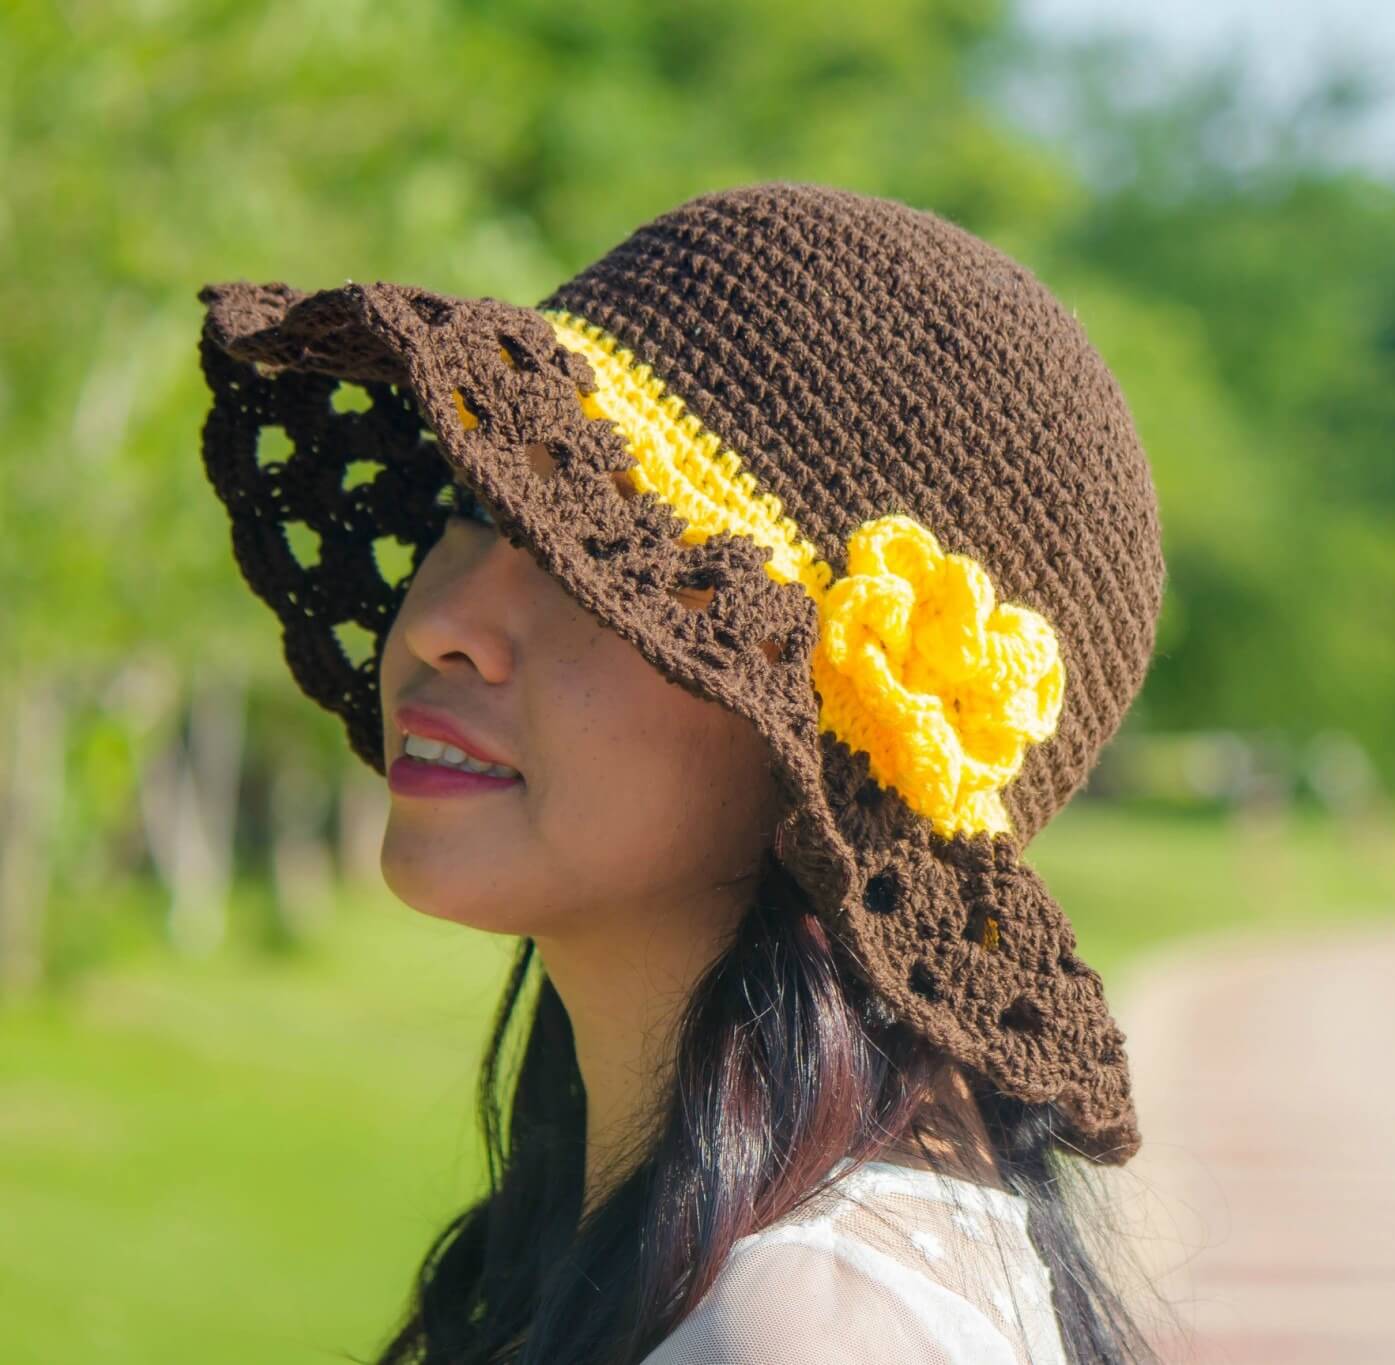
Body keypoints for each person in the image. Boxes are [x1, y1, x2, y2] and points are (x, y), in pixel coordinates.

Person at [193, 182, 1175, 1364]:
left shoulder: (796, 1328)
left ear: (837, 742)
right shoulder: (697, 1248)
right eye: (468, 504)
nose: (446, 618)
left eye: (591, 561)